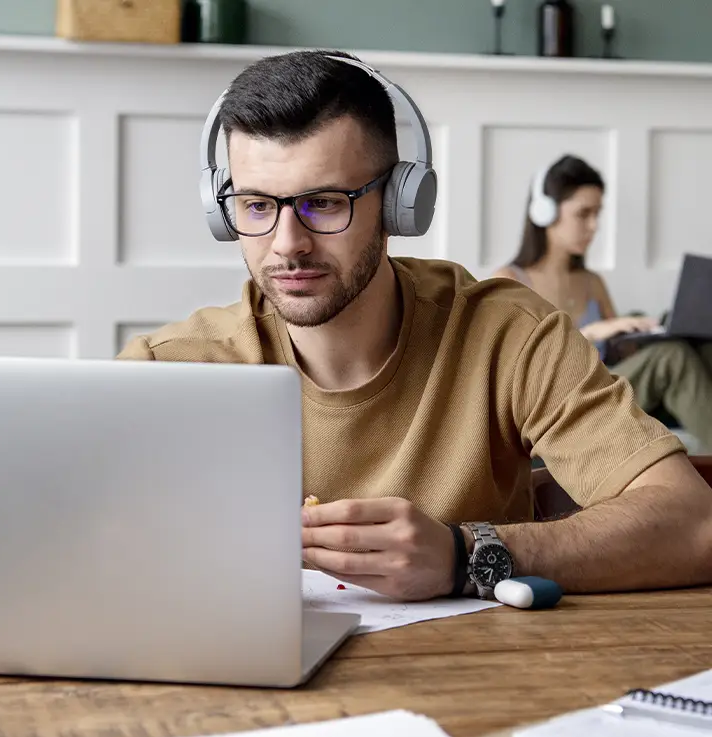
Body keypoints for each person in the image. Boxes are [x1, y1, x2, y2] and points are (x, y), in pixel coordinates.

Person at [119, 51, 712, 600]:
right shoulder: (167, 367)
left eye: (323, 203)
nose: (286, 245)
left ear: (401, 204)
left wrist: (466, 554)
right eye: (256, 206)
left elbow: (694, 523)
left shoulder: (510, 335)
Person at [493, 155, 712, 452]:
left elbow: (619, 354)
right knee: (671, 359)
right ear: (545, 212)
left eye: (597, 213)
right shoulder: (510, 281)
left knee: (700, 348)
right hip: (560, 400)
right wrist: (592, 332)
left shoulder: (592, 281)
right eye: (583, 214)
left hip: (606, 382)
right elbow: (513, 371)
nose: (594, 226)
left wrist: (646, 332)